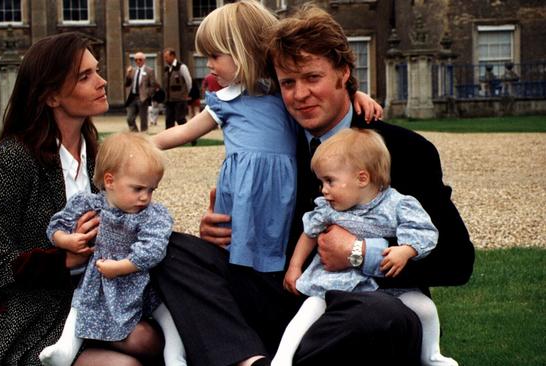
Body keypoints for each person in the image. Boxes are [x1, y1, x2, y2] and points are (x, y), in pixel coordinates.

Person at [154, 2, 474, 366]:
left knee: (376, 315)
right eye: (288, 82)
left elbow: (456, 260)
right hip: (287, 297)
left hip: (363, 304)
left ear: (344, 73)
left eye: (312, 78)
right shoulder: (282, 143)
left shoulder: (402, 150)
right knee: (173, 251)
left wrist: (361, 253)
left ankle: (251, 352)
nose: (299, 94)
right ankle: (250, 358)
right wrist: (220, 232)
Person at [0, 32, 163, 366]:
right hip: (29, 314)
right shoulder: (11, 161)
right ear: (51, 97)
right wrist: (62, 260)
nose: (102, 82)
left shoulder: (100, 156)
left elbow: (138, 218)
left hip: (95, 298)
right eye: (85, 76)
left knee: (150, 342)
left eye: (97, 71)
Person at [273, 128, 457, 366]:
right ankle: (282, 357)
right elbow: (309, 233)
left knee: (425, 307)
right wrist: (294, 267)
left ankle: (431, 355)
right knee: (310, 307)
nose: (323, 189)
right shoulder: (329, 208)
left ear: (362, 178)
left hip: (387, 290)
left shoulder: (397, 205)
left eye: (329, 181)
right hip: (334, 283)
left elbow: (424, 231)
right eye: (321, 182)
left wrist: (406, 250)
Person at [40, 132, 185, 366]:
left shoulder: (151, 216)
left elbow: (153, 249)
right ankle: (64, 350)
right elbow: (56, 225)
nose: (145, 197)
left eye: (151, 190)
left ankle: (175, 356)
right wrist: (67, 241)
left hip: (140, 282)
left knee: (168, 314)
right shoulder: (90, 204)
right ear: (110, 181)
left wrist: (121, 267)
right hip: (99, 283)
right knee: (79, 306)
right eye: (138, 189)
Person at [125, 52, 159, 132]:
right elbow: (127, 84)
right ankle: (136, 135)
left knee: (143, 120)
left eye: (140, 59)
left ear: (144, 60)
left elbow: (153, 85)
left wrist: (147, 94)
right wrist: (128, 75)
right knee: (129, 118)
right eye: (135, 60)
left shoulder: (149, 71)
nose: (138, 61)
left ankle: (144, 138)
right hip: (132, 97)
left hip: (143, 98)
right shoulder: (132, 70)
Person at [162, 48, 192, 130]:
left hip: (180, 99)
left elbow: (188, 82)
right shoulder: (166, 69)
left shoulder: (182, 67)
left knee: (180, 119)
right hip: (169, 100)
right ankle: (169, 140)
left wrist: (185, 94)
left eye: (166, 57)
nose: (165, 59)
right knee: (168, 120)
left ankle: (191, 136)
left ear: (172, 56)